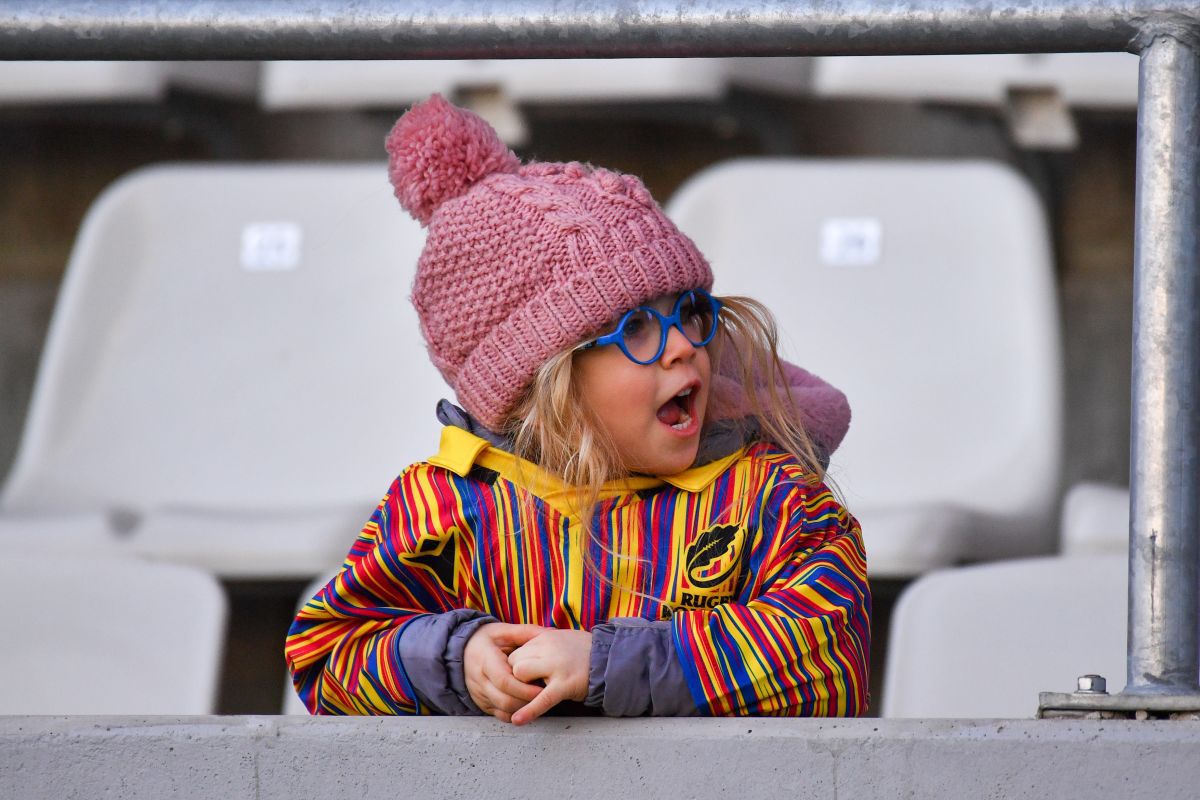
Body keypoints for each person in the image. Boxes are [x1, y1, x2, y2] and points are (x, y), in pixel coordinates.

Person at [284, 94, 870, 722]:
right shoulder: (448, 508)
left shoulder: (768, 496)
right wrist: (457, 658)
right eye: (635, 328)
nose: (683, 349)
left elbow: (826, 644)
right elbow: (328, 654)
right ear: (539, 386)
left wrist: (612, 664)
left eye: (690, 312)